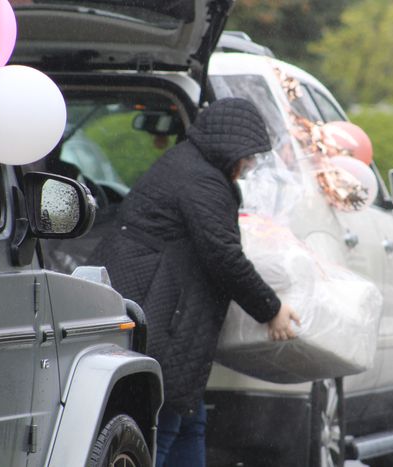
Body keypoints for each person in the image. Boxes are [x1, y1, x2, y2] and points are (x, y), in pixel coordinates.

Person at [88, 97, 300, 467]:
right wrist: (272, 309)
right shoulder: (201, 179)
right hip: (161, 311)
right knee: (165, 425)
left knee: (188, 419)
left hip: (157, 304)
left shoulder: (189, 165)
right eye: (248, 156)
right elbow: (223, 256)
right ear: (230, 146)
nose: (249, 165)